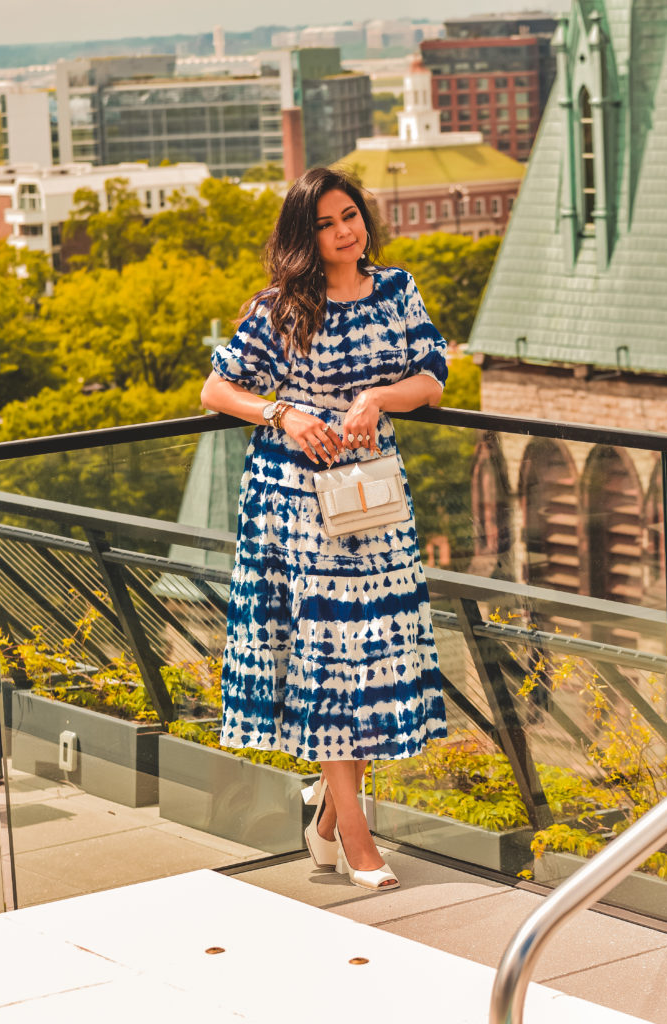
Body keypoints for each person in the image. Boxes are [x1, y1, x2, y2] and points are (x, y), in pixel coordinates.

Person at [201, 166, 448, 892]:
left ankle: (328, 822)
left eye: (352, 216)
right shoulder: (281, 306)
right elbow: (218, 387)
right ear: (305, 236)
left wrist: (376, 396)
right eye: (329, 223)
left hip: (371, 500)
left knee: (370, 662)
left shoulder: (396, 289)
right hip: (295, 502)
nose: (347, 231)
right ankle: (358, 839)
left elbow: (432, 378)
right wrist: (285, 412)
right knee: (330, 663)